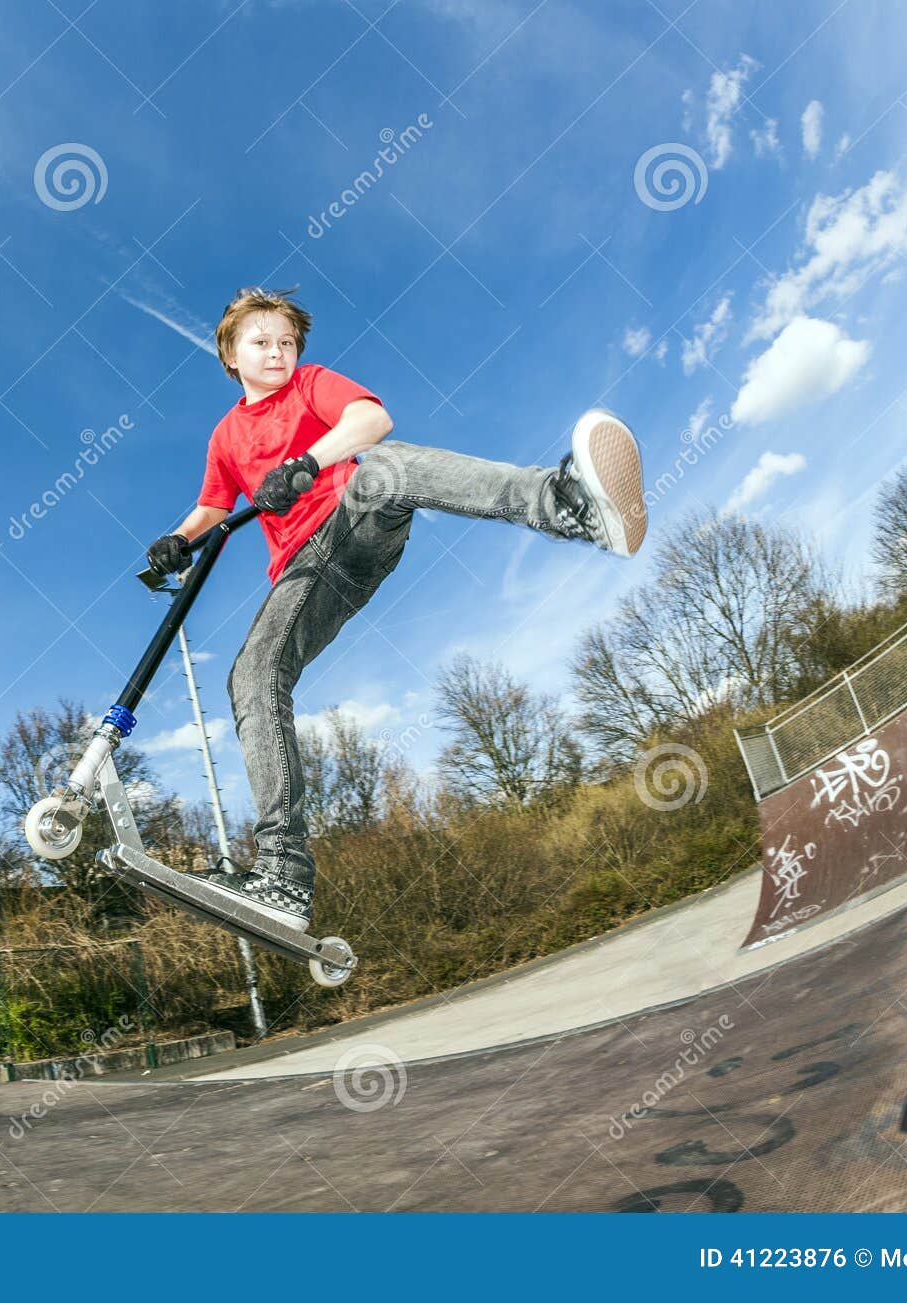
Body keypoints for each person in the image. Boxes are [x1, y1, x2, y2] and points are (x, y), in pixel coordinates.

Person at [144, 287, 647, 931]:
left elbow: (369, 422)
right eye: (261, 342)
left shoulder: (309, 386)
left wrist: (307, 462)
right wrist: (178, 540)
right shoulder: (226, 434)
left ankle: (565, 503)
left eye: (287, 342)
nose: (277, 352)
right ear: (230, 356)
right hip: (302, 577)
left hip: (355, 528)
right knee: (252, 676)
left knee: (383, 468)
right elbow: (214, 507)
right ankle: (282, 879)